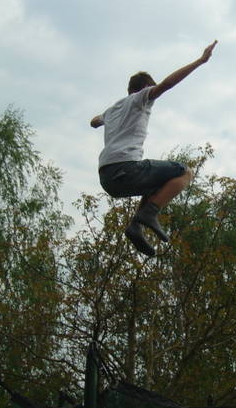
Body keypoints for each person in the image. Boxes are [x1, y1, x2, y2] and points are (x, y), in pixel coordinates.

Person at [91, 40, 218, 256]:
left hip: (107, 178)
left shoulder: (112, 110)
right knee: (185, 172)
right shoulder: (140, 99)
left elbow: (94, 121)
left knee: (156, 186)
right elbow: (167, 84)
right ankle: (149, 214)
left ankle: (136, 227)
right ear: (145, 89)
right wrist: (200, 61)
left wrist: (103, 120)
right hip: (126, 168)